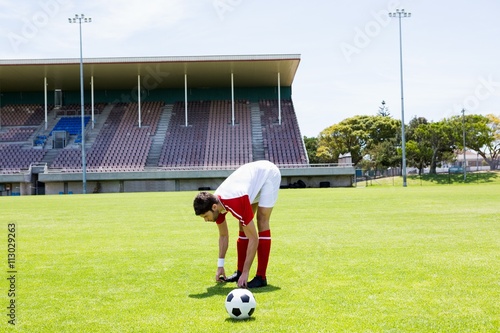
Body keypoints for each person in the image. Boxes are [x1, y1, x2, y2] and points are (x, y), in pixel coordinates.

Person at [193, 160, 281, 288]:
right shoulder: (216, 204)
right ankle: (239, 273)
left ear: (214, 207)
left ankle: (261, 277)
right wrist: (220, 265)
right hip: (251, 182)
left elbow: (253, 239)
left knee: (261, 220)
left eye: (206, 216)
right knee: (243, 224)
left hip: (268, 175)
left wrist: (247, 272)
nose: (206, 220)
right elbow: (223, 236)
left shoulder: (235, 200)